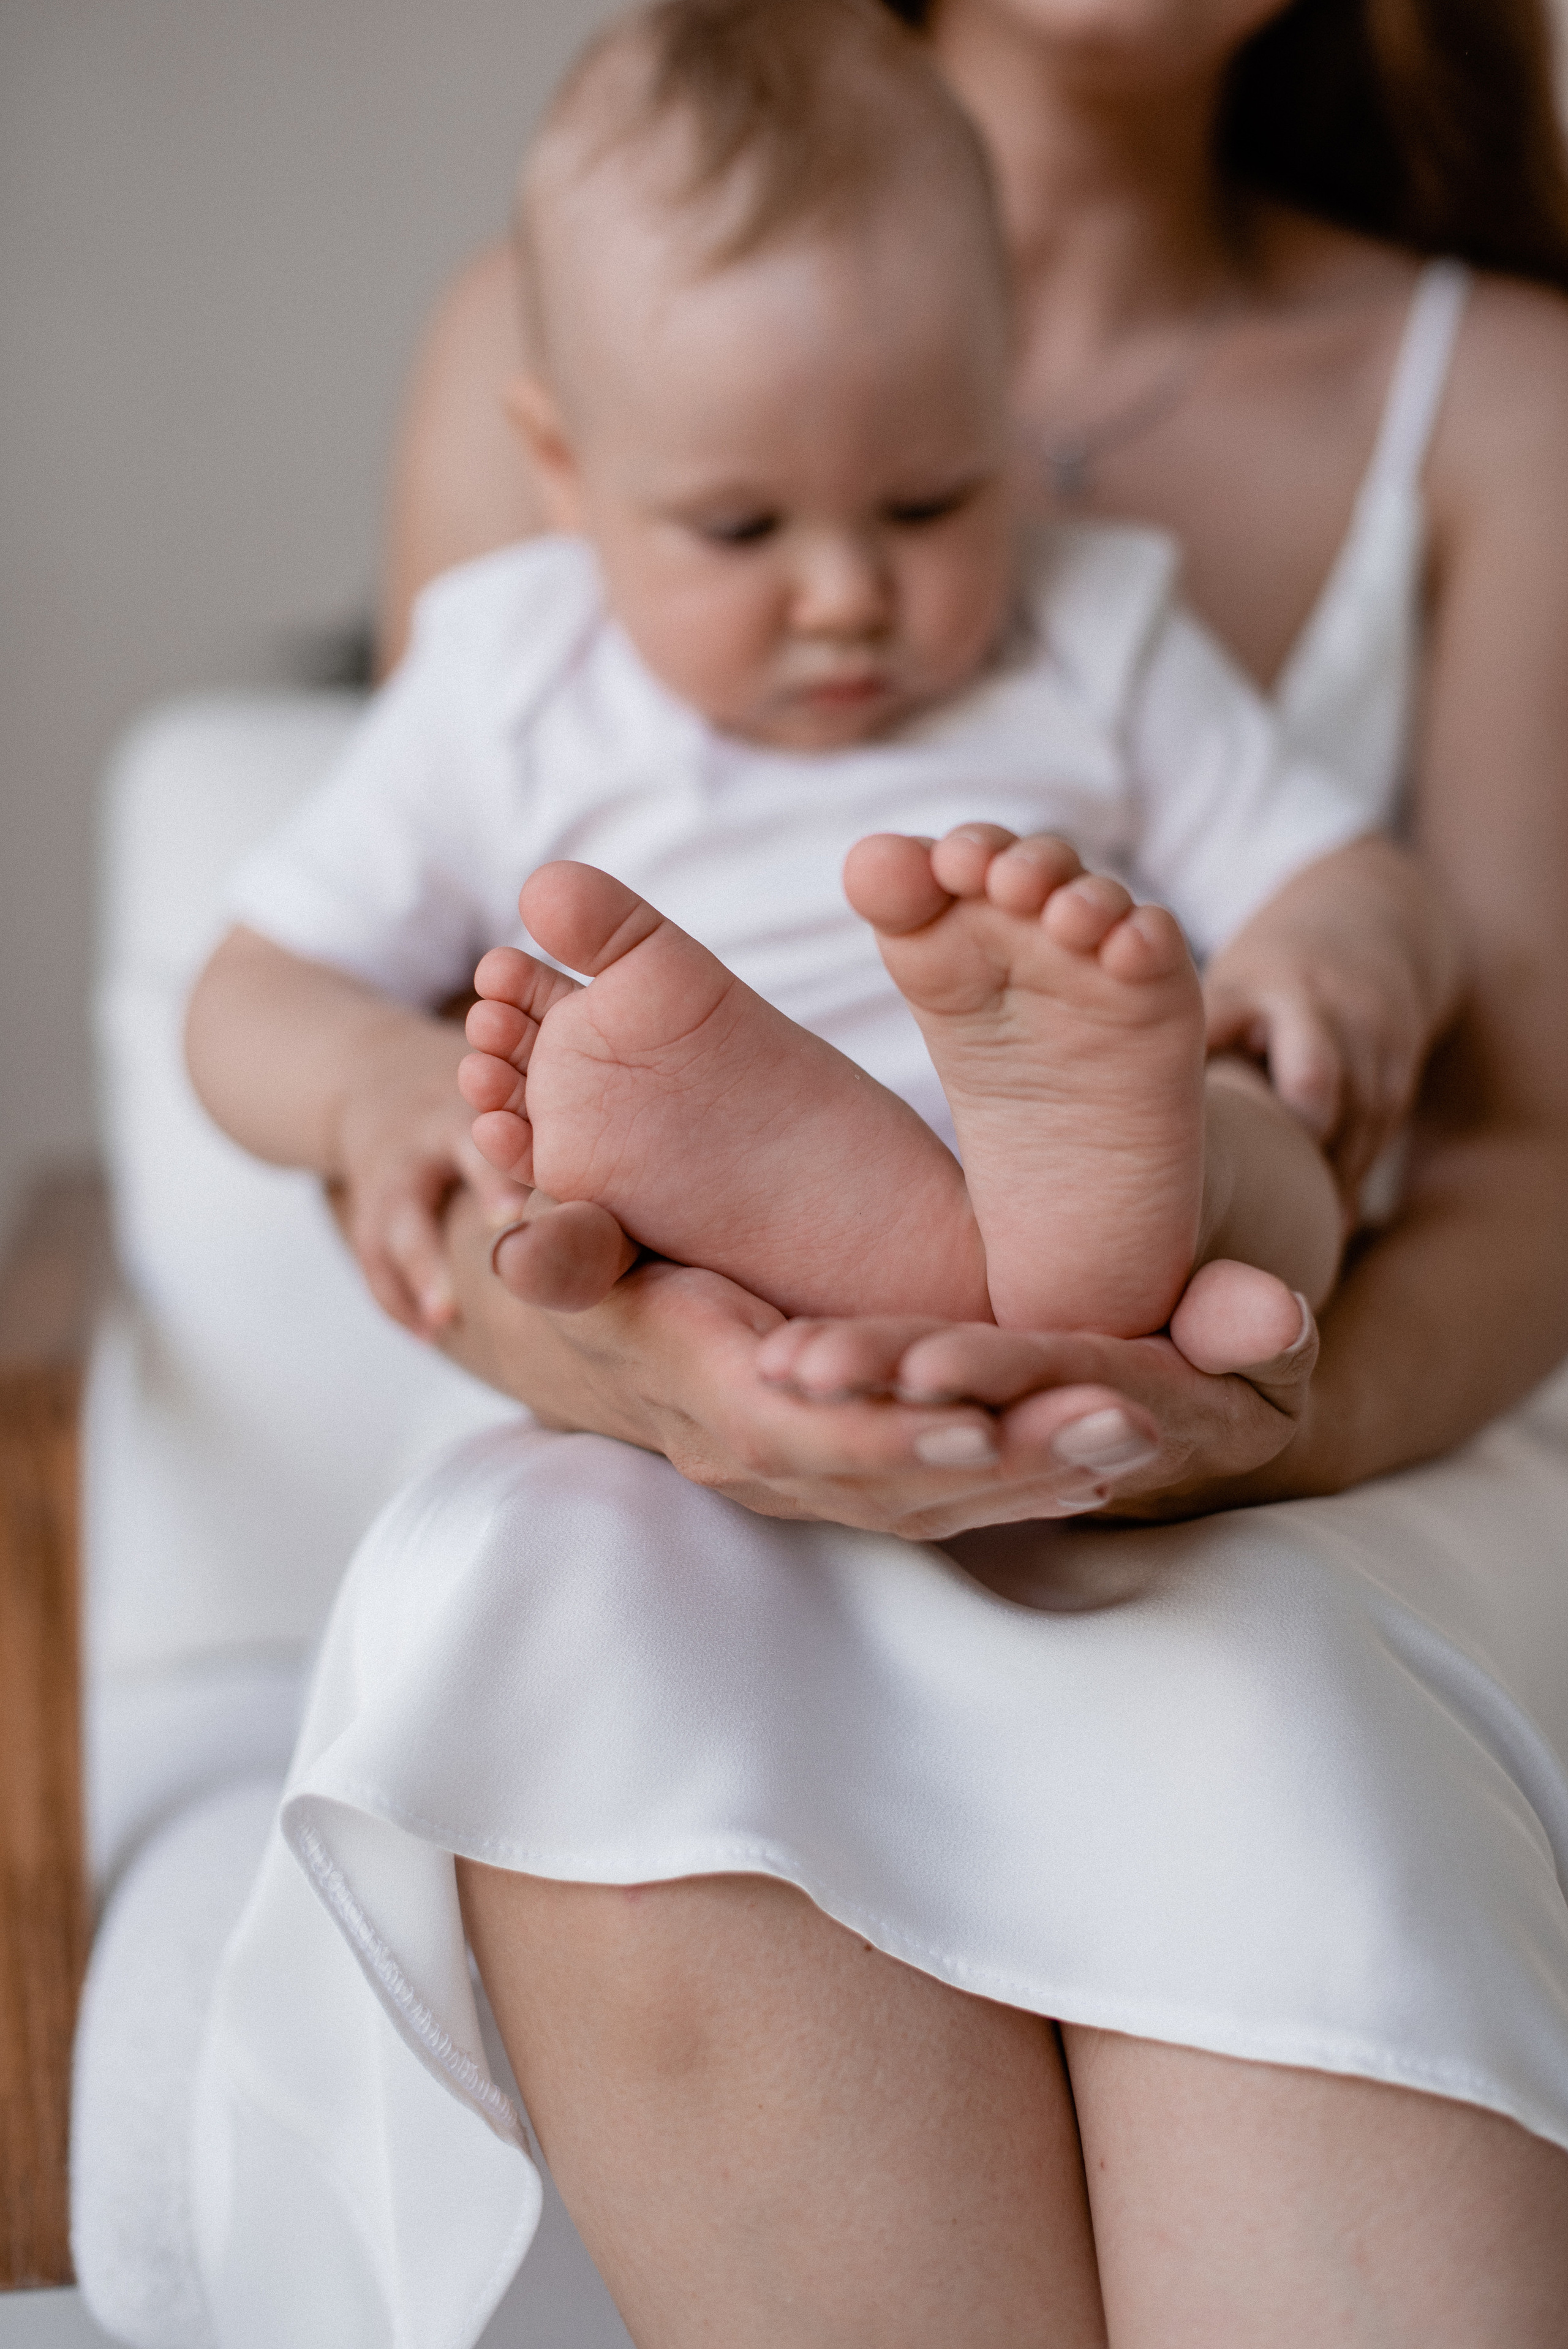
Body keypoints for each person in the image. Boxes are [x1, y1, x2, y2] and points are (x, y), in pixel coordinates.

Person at [187, 0, 1568, 2341]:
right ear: (567, 460)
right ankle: (863, 1185)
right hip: (734, 1319)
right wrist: (399, 1114)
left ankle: (1086, 1172)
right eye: (742, 528)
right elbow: (295, 996)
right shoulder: (534, 653)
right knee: (607, 1219)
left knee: (1244, 1117)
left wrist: (1333, 970)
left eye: (927, 507)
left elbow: (1415, 970)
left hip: (1234, 1332)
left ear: (1016, 429)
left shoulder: (1104, 613)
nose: (845, 597)